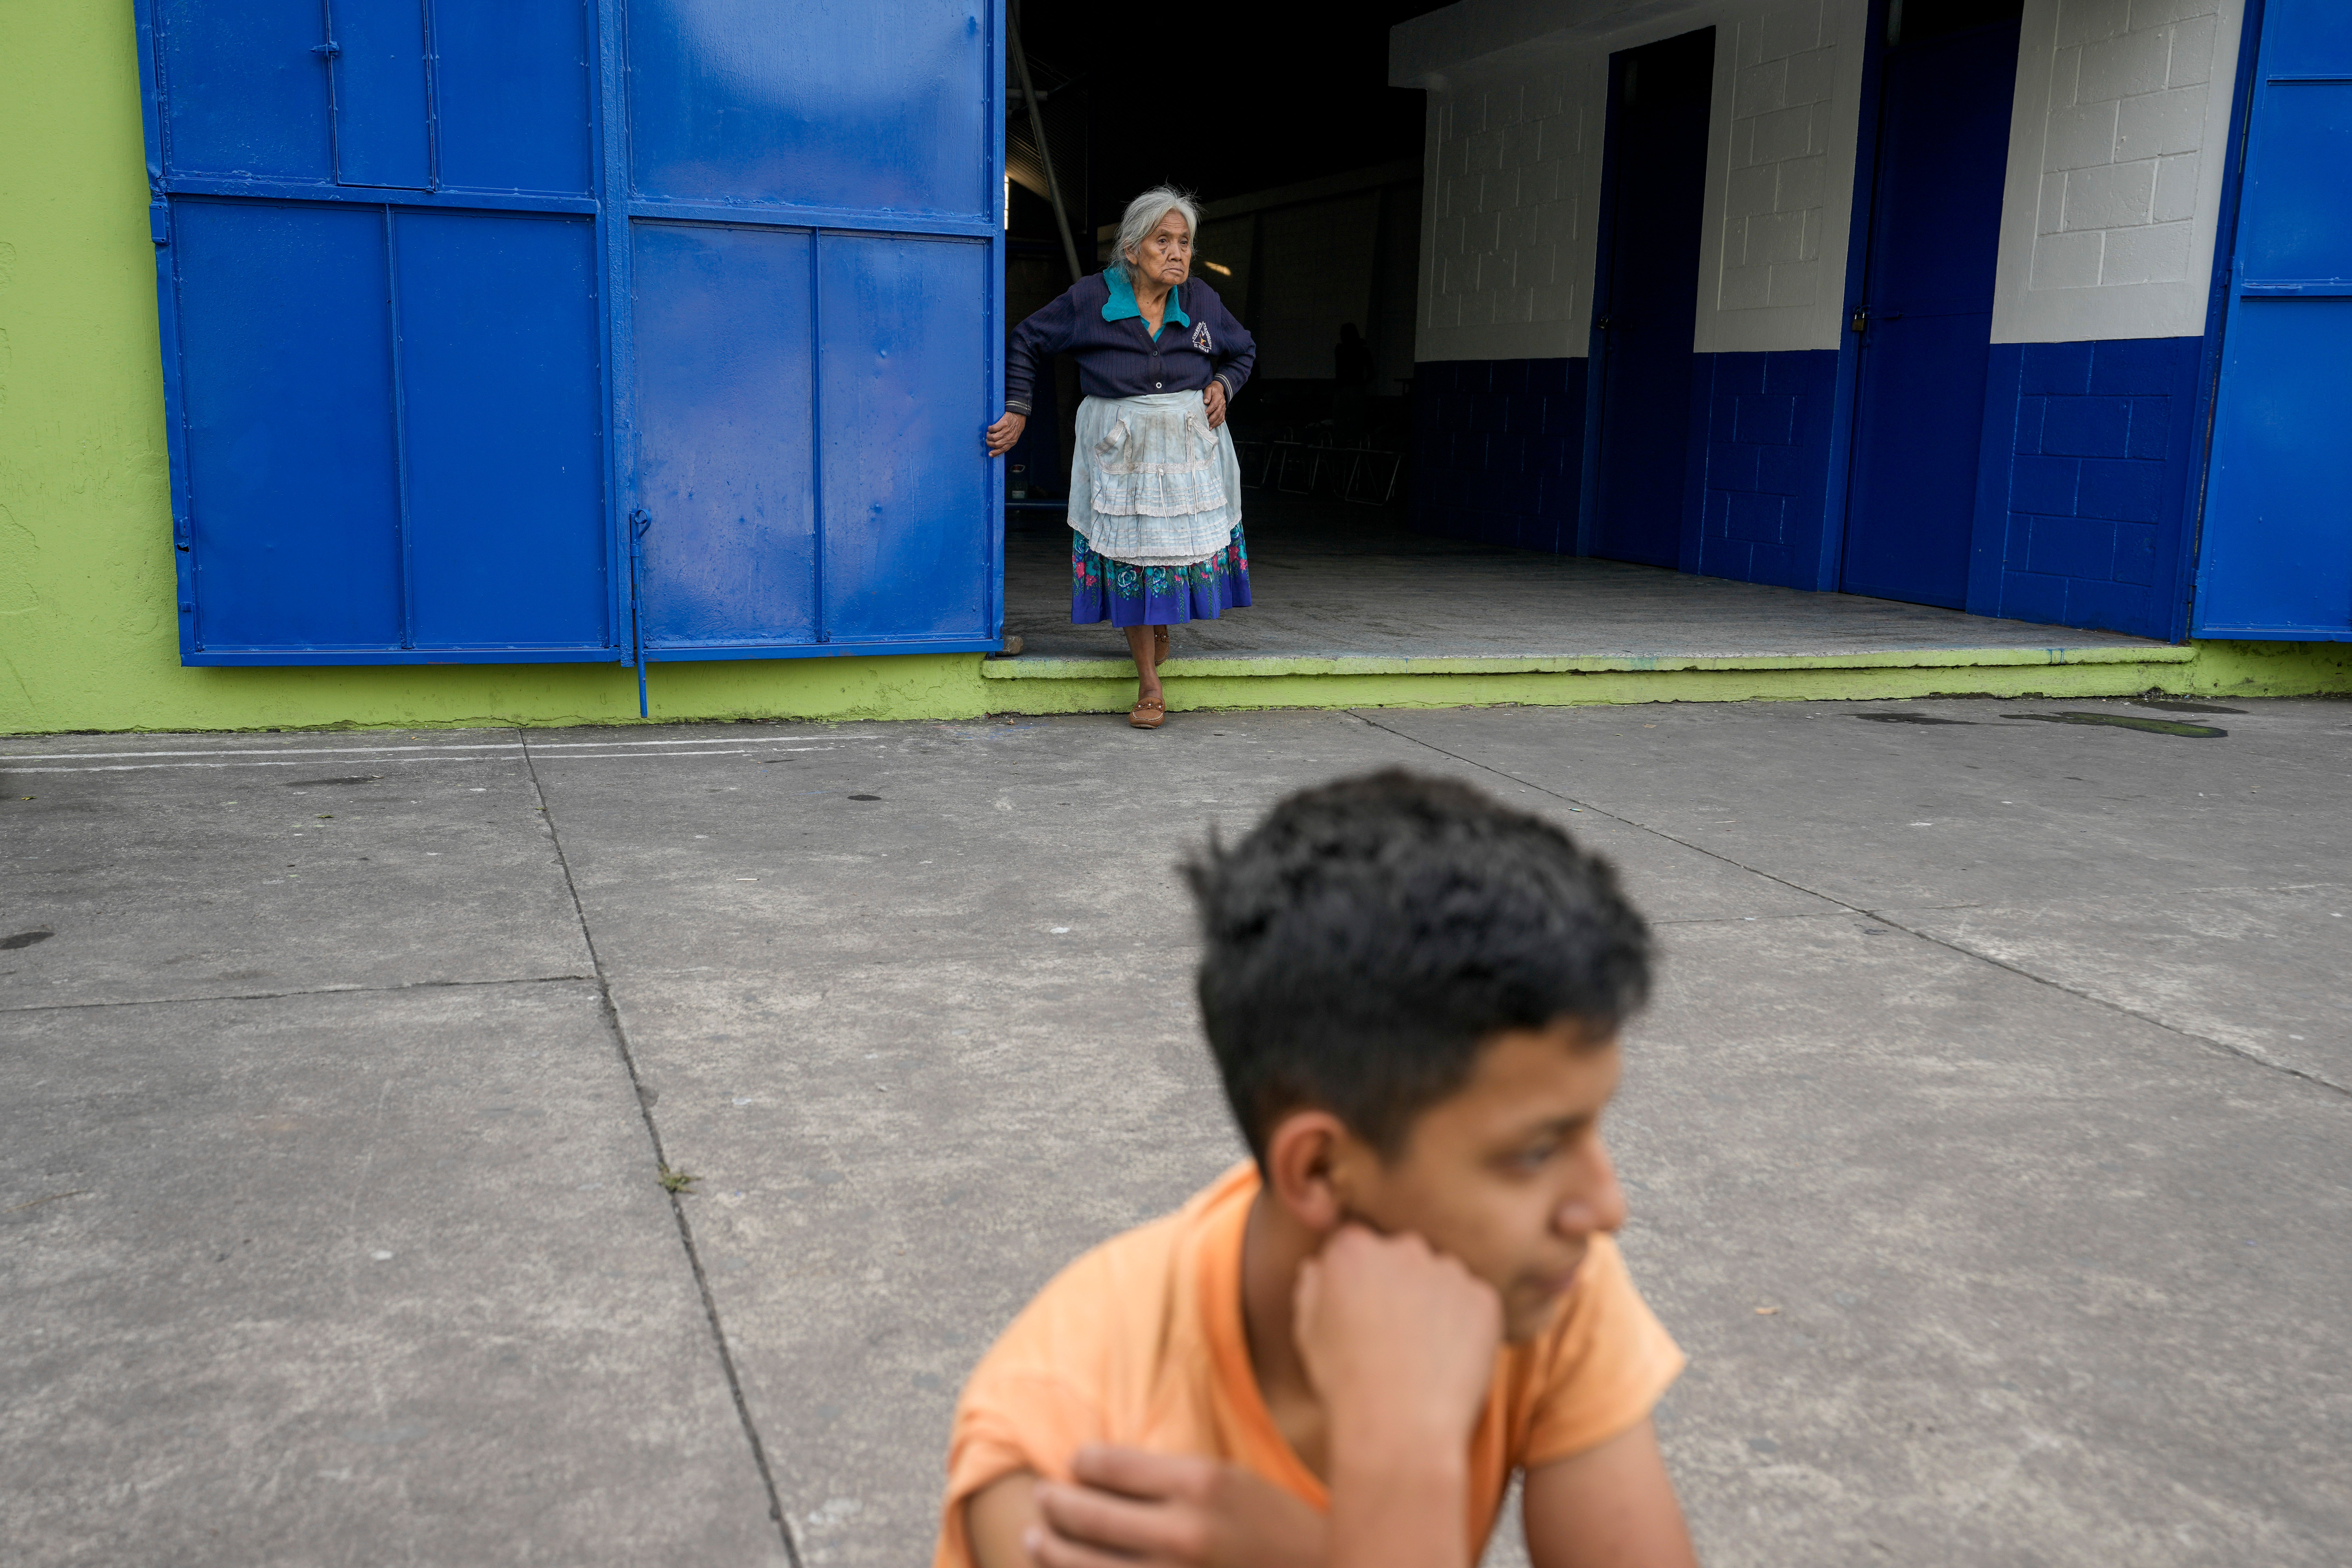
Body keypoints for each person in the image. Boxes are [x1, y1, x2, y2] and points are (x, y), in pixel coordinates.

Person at [935, 771, 1696, 1568]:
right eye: (1535, 1151)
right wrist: (1402, 1459)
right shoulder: (1073, 1444)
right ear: (1322, 1171)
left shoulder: (1539, 1277)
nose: (1605, 1208)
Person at [987, 188, 1258, 730]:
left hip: (1187, 452)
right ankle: (1150, 686)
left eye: (1185, 242)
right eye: (1164, 241)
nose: (1178, 253)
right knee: (1133, 558)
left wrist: (1225, 384)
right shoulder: (1090, 300)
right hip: (1121, 452)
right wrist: (1018, 410)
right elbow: (1027, 339)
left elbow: (1244, 348)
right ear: (1132, 251)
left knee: (1168, 552)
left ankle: (1158, 631)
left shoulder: (1202, 301)